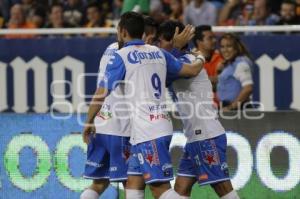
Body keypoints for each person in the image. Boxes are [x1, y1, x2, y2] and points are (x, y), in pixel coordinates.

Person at [94, 11, 205, 199]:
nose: (153, 40)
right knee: (133, 183)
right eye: (151, 36)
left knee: (158, 188)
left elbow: (102, 91)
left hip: (146, 130)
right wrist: (198, 56)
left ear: (122, 31)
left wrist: (89, 121)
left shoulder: (117, 52)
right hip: (144, 130)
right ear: (143, 33)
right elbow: (185, 69)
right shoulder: (157, 53)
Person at [157, 20, 240, 199]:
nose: (157, 46)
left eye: (160, 41)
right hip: (196, 137)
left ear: (172, 41)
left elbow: (159, 76)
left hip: (206, 136)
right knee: (181, 188)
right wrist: (198, 55)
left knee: (223, 189)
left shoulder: (183, 62)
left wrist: (177, 49)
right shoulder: (190, 58)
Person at [80, 41, 131, 199]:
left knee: (99, 183)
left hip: (100, 123)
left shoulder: (110, 48)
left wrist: (89, 120)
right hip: (121, 128)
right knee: (131, 183)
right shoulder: (131, 53)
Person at [217, 33, 254, 111]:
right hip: (230, 108)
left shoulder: (241, 63)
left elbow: (248, 88)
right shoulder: (229, 64)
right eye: (222, 47)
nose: (225, 50)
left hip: (238, 110)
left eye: (229, 46)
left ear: (236, 48)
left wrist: (231, 107)